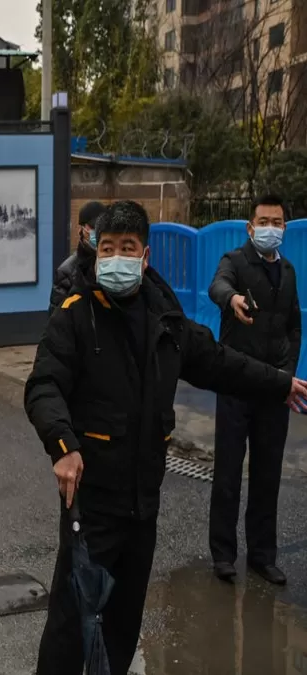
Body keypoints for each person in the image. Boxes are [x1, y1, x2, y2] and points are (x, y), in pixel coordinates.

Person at [23, 200, 307, 675]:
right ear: (96, 251)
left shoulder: (166, 320)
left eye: (126, 248)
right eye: (107, 248)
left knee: (123, 623)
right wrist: (63, 444)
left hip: (142, 503)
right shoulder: (74, 315)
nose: (115, 258)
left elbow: (219, 362)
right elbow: (43, 385)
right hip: (91, 503)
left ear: (145, 255)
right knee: (71, 625)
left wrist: (280, 383)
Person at [207, 194, 302, 585]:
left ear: (285, 227)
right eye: (263, 222)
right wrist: (232, 299)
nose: (270, 229)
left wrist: (287, 375)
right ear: (250, 227)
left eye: (277, 222)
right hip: (236, 383)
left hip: (273, 389)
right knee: (228, 473)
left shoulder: (290, 272)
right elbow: (217, 286)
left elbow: (294, 327)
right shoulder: (235, 262)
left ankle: (263, 555)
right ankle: (223, 555)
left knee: (268, 475)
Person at [48, 201, 106, 314]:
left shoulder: (113, 262)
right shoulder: (67, 271)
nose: (99, 232)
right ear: (82, 229)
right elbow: (56, 320)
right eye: (94, 227)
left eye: (103, 227)